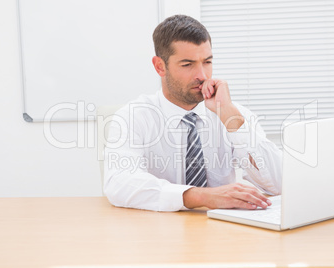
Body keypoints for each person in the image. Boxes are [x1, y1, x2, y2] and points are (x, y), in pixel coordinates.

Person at [104, 15, 282, 212]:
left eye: (207, 62)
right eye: (187, 64)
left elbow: (280, 184)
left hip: (223, 233)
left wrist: (231, 118)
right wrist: (199, 196)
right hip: (160, 230)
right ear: (160, 66)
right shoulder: (134, 116)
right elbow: (118, 182)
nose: (203, 75)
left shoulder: (232, 112)